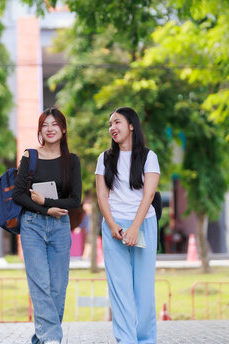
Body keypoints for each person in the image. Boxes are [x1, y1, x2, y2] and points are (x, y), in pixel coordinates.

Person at [13, 107, 82, 344]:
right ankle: (53, 339)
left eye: (55, 125)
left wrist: (47, 202)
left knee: (58, 287)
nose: (50, 129)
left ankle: (42, 339)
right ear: (40, 130)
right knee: (40, 283)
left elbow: (75, 200)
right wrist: (44, 209)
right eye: (45, 125)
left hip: (60, 226)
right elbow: (18, 195)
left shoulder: (71, 161)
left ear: (63, 129)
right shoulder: (30, 157)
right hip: (31, 225)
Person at [95, 107, 160, 343]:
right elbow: (102, 197)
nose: (112, 127)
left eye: (117, 122)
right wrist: (112, 226)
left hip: (143, 224)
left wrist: (135, 227)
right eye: (110, 124)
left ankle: (145, 339)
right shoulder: (104, 158)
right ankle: (126, 340)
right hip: (113, 227)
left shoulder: (148, 156)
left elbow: (149, 195)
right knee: (120, 290)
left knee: (143, 288)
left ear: (131, 125)